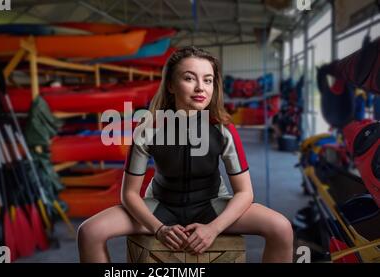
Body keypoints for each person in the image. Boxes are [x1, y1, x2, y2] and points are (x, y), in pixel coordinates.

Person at [77, 46, 293, 263]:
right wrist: (158, 228)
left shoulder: (223, 130)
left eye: (208, 80)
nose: (201, 88)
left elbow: (245, 193)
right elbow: (130, 194)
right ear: (170, 85)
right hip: (161, 206)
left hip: (211, 205)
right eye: (189, 78)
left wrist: (213, 229)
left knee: (280, 227)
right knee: (89, 232)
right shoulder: (148, 129)